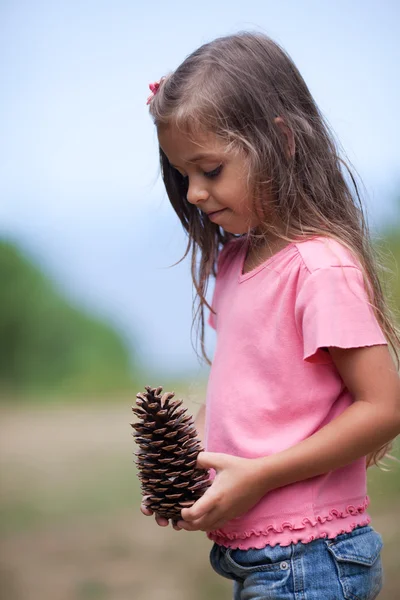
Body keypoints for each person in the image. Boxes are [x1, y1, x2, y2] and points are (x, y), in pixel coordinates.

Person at [141, 32, 400, 599]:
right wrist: (196, 477)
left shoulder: (318, 268)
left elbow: (384, 408)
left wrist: (259, 477)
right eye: (183, 175)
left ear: (279, 140)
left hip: (311, 559)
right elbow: (246, 396)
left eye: (210, 170)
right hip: (258, 558)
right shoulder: (234, 261)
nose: (194, 193)